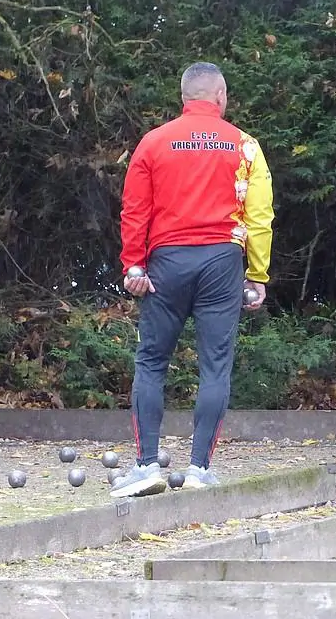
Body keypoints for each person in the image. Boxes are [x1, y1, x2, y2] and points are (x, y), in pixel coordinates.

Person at [112, 61, 274, 498]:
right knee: (215, 366)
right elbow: (259, 215)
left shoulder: (153, 142)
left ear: (184, 97)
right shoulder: (245, 145)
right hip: (222, 261)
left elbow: (135, 210)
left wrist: (133, 265)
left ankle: (146, 465)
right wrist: (257, 273)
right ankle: (200, 469)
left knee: (151, 361)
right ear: (220, 95)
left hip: (167, 262)